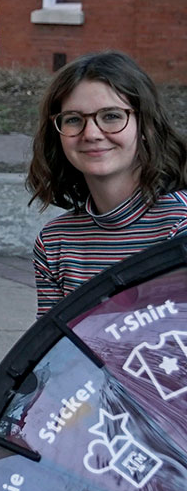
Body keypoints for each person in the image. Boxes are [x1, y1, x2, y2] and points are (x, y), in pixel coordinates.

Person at [29, 52, 187, 316]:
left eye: (111, 116)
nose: (91, 134)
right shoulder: (56, 241)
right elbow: (54, 353)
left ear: (146, 126)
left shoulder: (180, 225)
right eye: (73, 119)